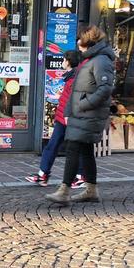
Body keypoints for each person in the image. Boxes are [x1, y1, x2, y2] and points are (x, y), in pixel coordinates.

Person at [46, 25, 115, 204]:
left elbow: (105, 89)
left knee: (73, 148)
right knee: (85, 151)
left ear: (88, 41)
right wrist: (70, 110)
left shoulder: (100, 61)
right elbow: (75, 89)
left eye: (80, 39)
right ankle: (91, 190)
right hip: (81, 113)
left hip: (88, 114)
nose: (77, 42)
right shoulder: (89, 59)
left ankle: (64, 191)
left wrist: (83, 104)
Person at [25, 50, 85, 189]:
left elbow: (74, 100)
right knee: (52, 146)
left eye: (64, 59)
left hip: (70, 118)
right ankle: (43, 175)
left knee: (76, 147)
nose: (62, 62)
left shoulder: (75, 78)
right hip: (62, 118)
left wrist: (69, 116)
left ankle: (81, 176)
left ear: (68, 61)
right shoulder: (70, 77)